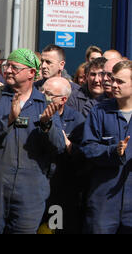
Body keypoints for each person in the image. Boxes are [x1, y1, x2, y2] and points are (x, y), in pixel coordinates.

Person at [0, 48, 66, 234]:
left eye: (15, 67)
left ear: (31, 73)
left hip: (29, 193)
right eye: (7, 66)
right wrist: (8, 119)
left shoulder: (44, 103)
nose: (8, 70)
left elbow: (59, 146)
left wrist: (46, 125)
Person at [81, 60, 132, 234]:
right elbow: (88, 147)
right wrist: (112, 151)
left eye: (121, 82)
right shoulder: (99, 111)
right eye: (113, 79)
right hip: (105, 200)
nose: (113, 85)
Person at [40, 77, 85, 234]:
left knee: (54, 229)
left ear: (63, 99)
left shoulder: (77, 120)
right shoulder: (34, 113)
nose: (42, 95)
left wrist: (68, 145)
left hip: (60, 191)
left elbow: (82, 156)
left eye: (48, 93)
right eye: (41, 90)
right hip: (35, 186)